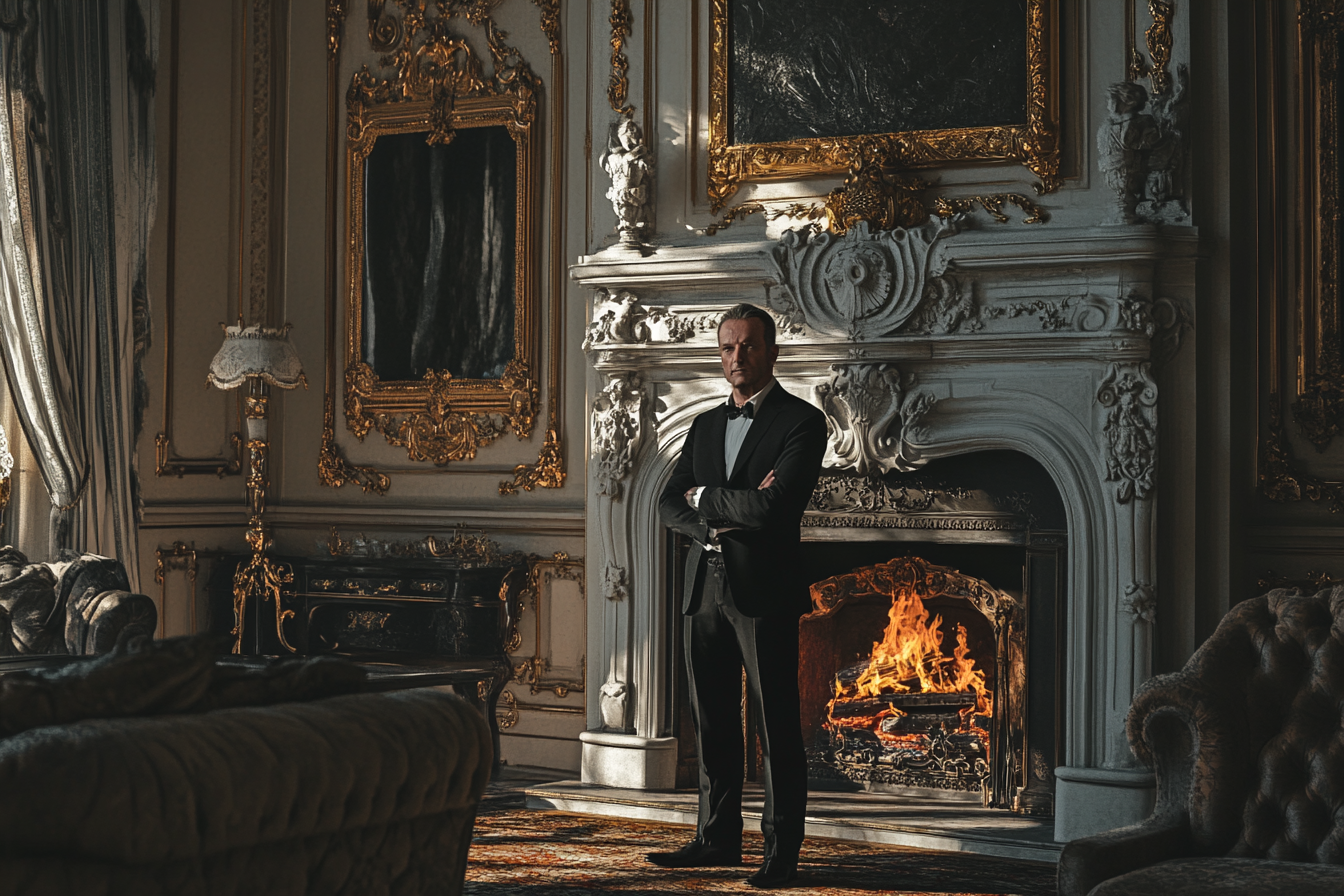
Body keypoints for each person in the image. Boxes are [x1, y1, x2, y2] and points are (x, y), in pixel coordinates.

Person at [649, 303, 827, 889]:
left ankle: (781, 852)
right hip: (704, 587)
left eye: (748, 346)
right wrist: (710, 516)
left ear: (772, 352)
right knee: (713, 718)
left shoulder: (801, 422)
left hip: (764, 591)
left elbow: (776, 507)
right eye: (727, 348)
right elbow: (668, 502)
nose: (736, 358)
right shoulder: (702, 426)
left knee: (776, 724)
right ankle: (717, 838)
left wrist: (705, 497)